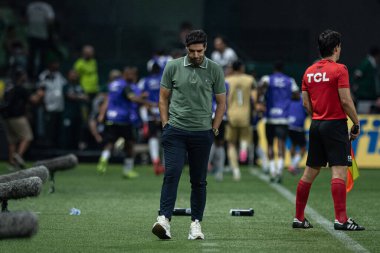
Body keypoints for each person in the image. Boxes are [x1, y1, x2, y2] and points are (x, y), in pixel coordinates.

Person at [152, 30, 226, 240]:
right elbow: (162, 98)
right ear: (186, 49)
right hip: (175, 131)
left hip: (202, 133)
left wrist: (214, 129)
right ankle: (164, 220)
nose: (195, 55)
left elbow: (221, 103)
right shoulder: (172, 66)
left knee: (199, 181)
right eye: (192, 51)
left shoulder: (215, 69)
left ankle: (196, 224)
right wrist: (165, 124)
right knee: (172, 174)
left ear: (205, 48)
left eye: (199, 51)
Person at [293, 29, 364, 231]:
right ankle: (341, 219)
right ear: (336, 48)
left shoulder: (309, 71)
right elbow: (345, 100)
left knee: (309, 172)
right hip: (335, 125)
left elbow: (306, 104)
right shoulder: (340, 69)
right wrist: (356, 123)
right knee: (339, 171)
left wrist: (320, 116)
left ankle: (299, 218)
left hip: (316, 125)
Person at [96, 67, 154, 178]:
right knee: (130, 144)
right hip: (124, 119)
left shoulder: (112, 85)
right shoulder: (126, 86)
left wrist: (102, 114)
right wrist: (147, 103)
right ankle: (127, 170)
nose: (132, 76)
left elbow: (108, 100)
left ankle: (103, 159)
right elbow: (132, 98)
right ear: (125, 74)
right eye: (130, 74)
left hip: (111, 118)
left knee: (109, 143)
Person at [257, 62, 299, 183]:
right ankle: (279, 170)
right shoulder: (289, 80)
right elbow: (296, 95)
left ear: (274, 69)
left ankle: (272, 171)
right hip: (283, 118)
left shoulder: (267, 78)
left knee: (270, 144)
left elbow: (260, 87)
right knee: (280, 144)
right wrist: (286, 98)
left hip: (270, 117)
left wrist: (261, 100)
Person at [0, 68, 43, 169]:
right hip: (17, 117)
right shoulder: (21, 88)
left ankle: (12, 162)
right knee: (27, 137)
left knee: (12, 141)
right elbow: (34, 100)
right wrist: (40, 95)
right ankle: (18, 156)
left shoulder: (8, 87)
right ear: (21, 77)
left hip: (6, 117)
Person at [225, 61, 256, 181]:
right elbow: (255, 94)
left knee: (231, 143)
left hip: (231, 114)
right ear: (242, 68)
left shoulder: (227, 80)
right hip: (245, 114)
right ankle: (243, 150)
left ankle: (236, 171)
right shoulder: (249, 79)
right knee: (245, 138)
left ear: (232, 68)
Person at [141, 62, 165, 175]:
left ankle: (155, 160)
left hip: (151, 113)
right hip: (163, 112)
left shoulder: (145, 81)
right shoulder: (164, 79)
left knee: (153, 137)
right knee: (167, 137)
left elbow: (143, 97)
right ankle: (165, 164)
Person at [62, 70, 88, 149]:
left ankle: (76, 150)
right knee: (67, 132)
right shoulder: (66, 86)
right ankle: (65, 149)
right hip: (68, 113)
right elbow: (69, 96)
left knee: (78, 132)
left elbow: (86, 97)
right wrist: (80, 97)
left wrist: (77, 96)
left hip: (78, 113)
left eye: (75, 74)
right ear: (68, 76)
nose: (74, 76)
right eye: (72, 74)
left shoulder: (79, 86)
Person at [353, 46, 380, 114]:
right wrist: (357, 85)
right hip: (364, 96)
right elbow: (357, 74)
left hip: (372, 96)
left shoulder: (373, 64)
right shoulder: (366, 63)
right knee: (363, 113)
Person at [287, 92, 308, 175]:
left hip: (289, 126)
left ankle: (294, 166)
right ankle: (293, 165)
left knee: (293, 144)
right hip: (298, 127)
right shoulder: (302, 102)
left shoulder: (289, 102)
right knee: (303, 148)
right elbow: (307, 111)